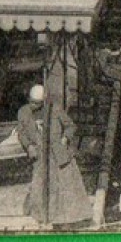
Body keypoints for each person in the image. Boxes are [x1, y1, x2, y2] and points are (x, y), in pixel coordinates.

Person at [16, 84, 92, 229]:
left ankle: (71, 218)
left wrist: (65, 139)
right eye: (31, 101)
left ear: (43, 101)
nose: (33, 105)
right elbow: (21, 133)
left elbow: (70, 126)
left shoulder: (55, 109)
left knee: (67, 186)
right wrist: (28, 146)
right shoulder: (23, 112)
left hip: (58, 154)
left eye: (36, 103)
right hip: (40, 156)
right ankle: (44, 217)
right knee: (41, 187)